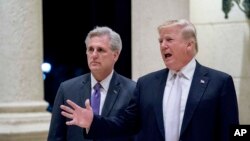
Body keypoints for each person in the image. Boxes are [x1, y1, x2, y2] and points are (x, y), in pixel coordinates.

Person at [60, 19, 239, 141]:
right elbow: (125, 124)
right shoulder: (147, 84)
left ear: (189, 45)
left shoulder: (219, 82)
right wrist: (93, 122)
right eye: (160, 41)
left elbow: (233, 133)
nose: (163, 45)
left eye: (169, 39)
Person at [47, 26, 136, 141]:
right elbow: (55, 137)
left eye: (100, 50)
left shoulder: (132, 90)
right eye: (90, 49)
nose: (94, 55)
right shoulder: (67, 89)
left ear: (115, 55)